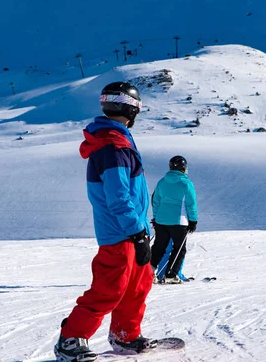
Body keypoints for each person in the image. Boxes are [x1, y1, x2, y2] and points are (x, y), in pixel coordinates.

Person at [54, 82, 157, 362]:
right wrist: (136, 232)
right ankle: (70, 340)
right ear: (131, 109)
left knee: (139, 284)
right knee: (109, 288)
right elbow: (118, 196)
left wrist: (141, 230)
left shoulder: (117, 141)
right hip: (120, 232)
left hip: (132, 229)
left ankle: (126, 334)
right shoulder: (112, 146)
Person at [150, 156, 198, 284]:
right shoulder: (186, 183)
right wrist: (193, 220)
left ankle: (148, 272)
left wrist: (155, 217)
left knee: (159, 247)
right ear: (183, 168)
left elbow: (156, 201)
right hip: (179, 221)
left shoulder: (162, 182)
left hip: (161, 220)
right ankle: (171, 274)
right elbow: (191, 204)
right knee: (179, 249)